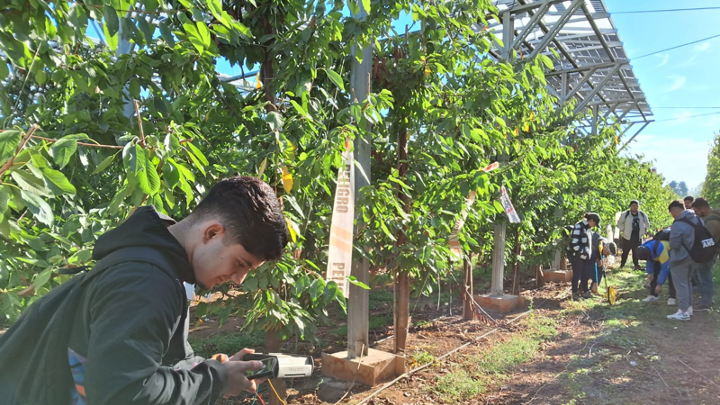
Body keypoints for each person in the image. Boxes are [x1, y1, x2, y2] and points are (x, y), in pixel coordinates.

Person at [0, 176, 290, 405]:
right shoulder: (146, 281)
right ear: (212, 233)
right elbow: (125, 394)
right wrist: (215, 380)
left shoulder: (160, 265)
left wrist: (210, 368)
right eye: (241, 263)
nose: (239, 279)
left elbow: (148, 363)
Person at [667, 199, 700, 320]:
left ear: (674, 210)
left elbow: (674, 244)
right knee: (687, 282)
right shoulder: (697, 219)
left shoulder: (678, 223)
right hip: (695, 256)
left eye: (671, 213)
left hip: (681, 258)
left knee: (681, 284)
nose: (672, 215)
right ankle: (689, 308)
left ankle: (683, 311)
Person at [690, 197, 720, 311]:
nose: (696, 214)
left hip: (707, 254)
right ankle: (705, 298)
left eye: (696, 211)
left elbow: (707, 240)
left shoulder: (711, 222)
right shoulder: (712, 217)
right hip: (710, 252)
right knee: (701, 274)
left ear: (702, 209)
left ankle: (706, 302)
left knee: (704, 276)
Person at [569, 213, 601, 300]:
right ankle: (575, 293)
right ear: (591, 221)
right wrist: (582, 252)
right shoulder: (579, 227)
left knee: (585, 275)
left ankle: (585, 292)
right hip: (578, 256)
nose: (594, 226)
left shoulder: (588, 229)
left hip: (585, 256)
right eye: (594, 224)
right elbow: (575, 243)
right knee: (577, 275)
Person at [636, 238, 676, 305]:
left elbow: (665, 268)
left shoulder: (661, 249)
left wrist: (660, 284)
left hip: (669, 253)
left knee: (670, 274)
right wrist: (650, 272)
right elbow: (649, 260)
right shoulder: (643, 248)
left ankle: (672, 297)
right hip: (656, 254)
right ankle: (653, 295)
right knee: (654, 273)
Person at [616, 200, 650, 270]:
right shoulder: (625, 214)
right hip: (627, 236)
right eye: (633, 206)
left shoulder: (642, 215)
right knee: (625, 252)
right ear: (630, 206)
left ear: (638, 206)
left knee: (636, 252)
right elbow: (619, 223)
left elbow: (647, 223)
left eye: (636, 206)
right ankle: (622, 265)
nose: (634, 207)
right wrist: (623, 229)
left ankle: (636, 265)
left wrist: (644, 229)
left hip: (638, 236)